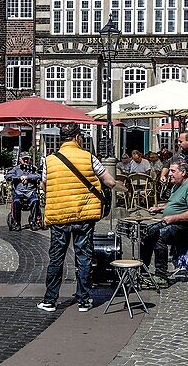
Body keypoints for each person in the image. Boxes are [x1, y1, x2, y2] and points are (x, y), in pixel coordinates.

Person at [38, 123, 116, 314]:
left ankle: (50, 300)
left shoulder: (50, 160)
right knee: (84, 257)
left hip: (59, 216)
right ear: (77, 137)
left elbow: (44, 186)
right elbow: (110, 182)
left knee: (56, 259)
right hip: (83, 215)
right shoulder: (89, 157)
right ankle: (84, 300)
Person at [141, 159, 188, 278]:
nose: (169, 174)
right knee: (147, 232)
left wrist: (173, 218)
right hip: (172, 222)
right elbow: (175, 204)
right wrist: (160, 209)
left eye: (173, 171)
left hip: (185, 227)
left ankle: (161, 275)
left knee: (159, 235)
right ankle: (143, 269)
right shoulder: (176, 186)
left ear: (183, 172)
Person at [5, 152, 42, 231]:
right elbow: (7, 176)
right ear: (20, 160)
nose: (26, 160)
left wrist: (28, 177)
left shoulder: (34, 168)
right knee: (16, 202)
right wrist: (19, 178)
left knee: (35, 201)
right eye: (24, 159)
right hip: (19, 192)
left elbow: (39, 175)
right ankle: (17, 223)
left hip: (30, 191)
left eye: (27, 159)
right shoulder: (16, 169)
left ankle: (33, 221)